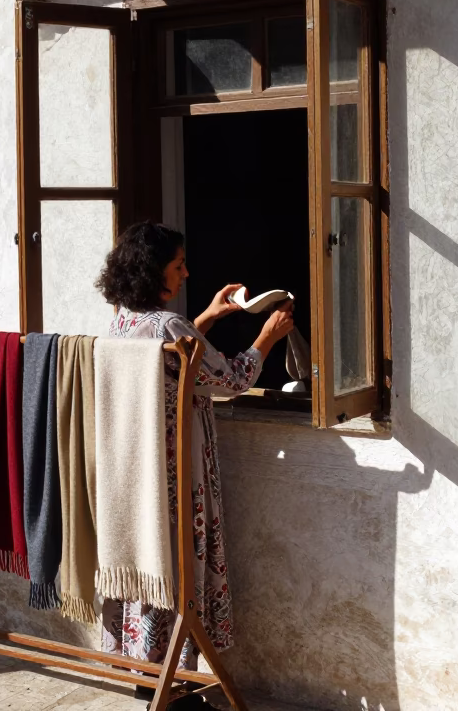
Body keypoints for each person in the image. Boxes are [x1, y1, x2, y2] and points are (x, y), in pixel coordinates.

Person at [94, 221, 294, 688]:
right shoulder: (168, 324)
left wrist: (206, 316)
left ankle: (147, 670)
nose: (186, 273)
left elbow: (171, 355)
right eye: (178, 265)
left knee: (149, 563)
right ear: (153, 271)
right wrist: (267, 335)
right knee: (178, 566)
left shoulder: (124, 320)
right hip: (176, 473)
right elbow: (231, 379)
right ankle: (176, 679)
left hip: (134, 473)